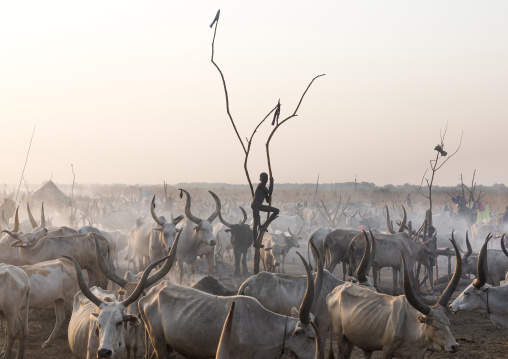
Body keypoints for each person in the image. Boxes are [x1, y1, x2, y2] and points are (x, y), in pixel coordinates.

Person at [251, 172, 279, 248]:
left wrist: (270, 191)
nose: (264, 180)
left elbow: (267, 200)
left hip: (259, 206)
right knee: (256, 223)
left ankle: (264, 225)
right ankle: (255, 242)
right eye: (263, 178)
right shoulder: (261, 185)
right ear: (260, 179)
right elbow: (270, 192)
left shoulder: (264, 188)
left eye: (266, 179)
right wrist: (272, 183)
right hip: (256, 205)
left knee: (276, 211)